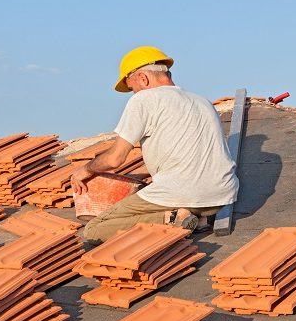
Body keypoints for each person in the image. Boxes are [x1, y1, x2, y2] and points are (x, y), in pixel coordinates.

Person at [72, 46, 239, 243]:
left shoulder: (144, 100)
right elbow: (181, 153)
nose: (133, 94)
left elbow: (115, 158)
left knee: (94, 229)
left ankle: (172, 218)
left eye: (132, 88)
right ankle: (196, 218)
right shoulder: (201, 101)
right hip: (222, 196)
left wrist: (86, 170)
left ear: (143, 78)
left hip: (182, 193)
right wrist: (137, 175)